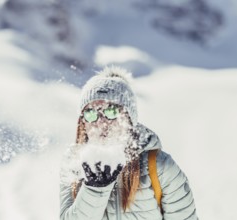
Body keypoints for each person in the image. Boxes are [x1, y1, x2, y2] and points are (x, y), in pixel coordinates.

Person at [60, 66, 198, 220]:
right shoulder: (74, 165)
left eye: (111, 111)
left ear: (129, 119)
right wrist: (95, 189)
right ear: (82, 123)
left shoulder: (160, 167)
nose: (101, 122)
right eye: (91, 113)